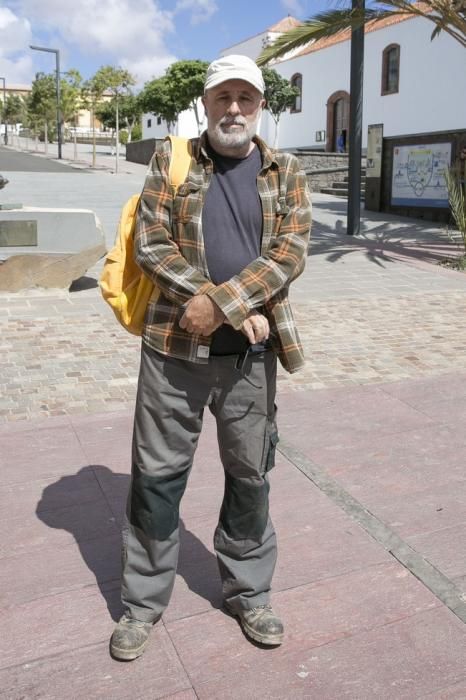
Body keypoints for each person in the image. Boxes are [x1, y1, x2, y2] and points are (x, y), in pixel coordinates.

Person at [110, 54, 312, 661]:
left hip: (250, 355)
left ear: (260, 108)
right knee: (156, 479)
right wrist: (215, 303)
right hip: (172, 353)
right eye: (223, 97)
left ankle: (249, 592)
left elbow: (290, 252)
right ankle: (142, 605)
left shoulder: (287, 170)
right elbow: (151, 243)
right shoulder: (170, 162)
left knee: (250, 477)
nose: (233, 110)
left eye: (244, 99)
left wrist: (222, 305)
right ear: (206, 103)